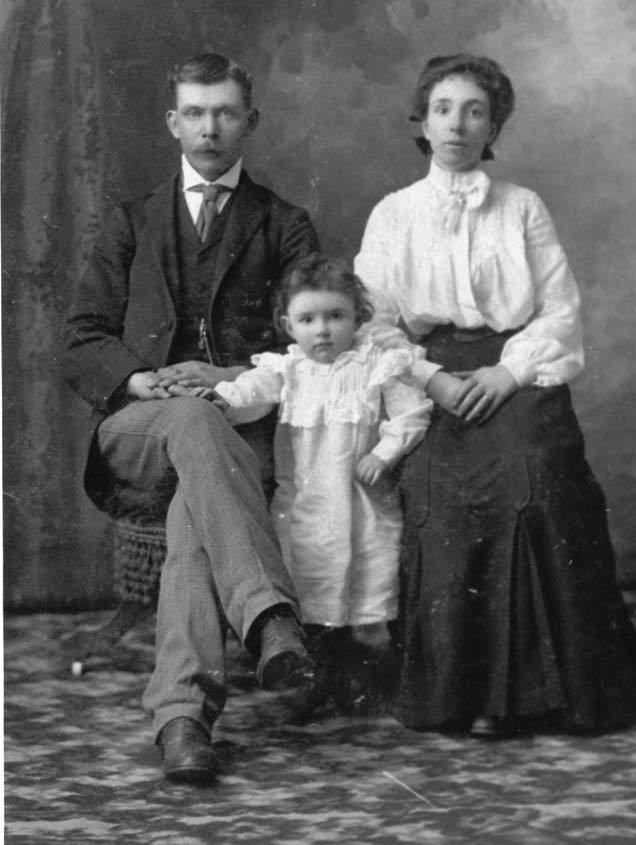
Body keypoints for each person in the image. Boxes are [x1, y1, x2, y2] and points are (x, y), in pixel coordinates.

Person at [354, 53, 636, 737]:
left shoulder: (523, 208)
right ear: (423, 122)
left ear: (493, 127)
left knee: (533, 474)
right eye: (443, 109)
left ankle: (547, 694)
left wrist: (507, 374)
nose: (457, 124)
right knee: (442, 491)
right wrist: (432, 377)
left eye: (474, 111)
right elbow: (374, 322)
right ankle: (461, 693)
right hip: (429, 376)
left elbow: (559, 310)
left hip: (517, 369)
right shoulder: (393, 214)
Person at [60, 53, 321, 783]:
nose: (211, 128)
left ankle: (181, 719)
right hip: (139, 428)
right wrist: (144, 380)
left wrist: (228, 377)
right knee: (191, 426)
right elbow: (81, 340)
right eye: (197, 114)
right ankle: (268, 616)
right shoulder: (130, 220)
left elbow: (316, 345)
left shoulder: (284, 224)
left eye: (226, 113)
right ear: (174, 123)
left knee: (192, 513)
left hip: (238, 426)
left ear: (250, 121)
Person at [208, 253, 433, 712]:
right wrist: (221, 400)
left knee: (364, 582)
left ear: (359, 318)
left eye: (335, 316)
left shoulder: (377, 363)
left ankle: (365, 673)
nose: (323, 330)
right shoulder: (288, 368)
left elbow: (412, 414)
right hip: (306, 503)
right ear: (288, 325)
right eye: (308, 320)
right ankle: (321, 675)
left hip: (361, 501)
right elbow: (250, 394)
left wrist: (383, 453)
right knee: (310, 581)